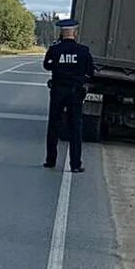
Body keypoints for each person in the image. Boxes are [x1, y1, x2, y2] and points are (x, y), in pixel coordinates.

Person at [42, 18, 95, 173]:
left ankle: (50, 160)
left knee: (54, 126)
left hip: (58, 91)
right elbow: (91, 72)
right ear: (75, 33)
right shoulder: (83, 51)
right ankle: (76, 164)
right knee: (75, 128)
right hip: (75, 93)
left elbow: (47, 65)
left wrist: (57, 67)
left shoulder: (55, 49)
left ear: (62, 33)